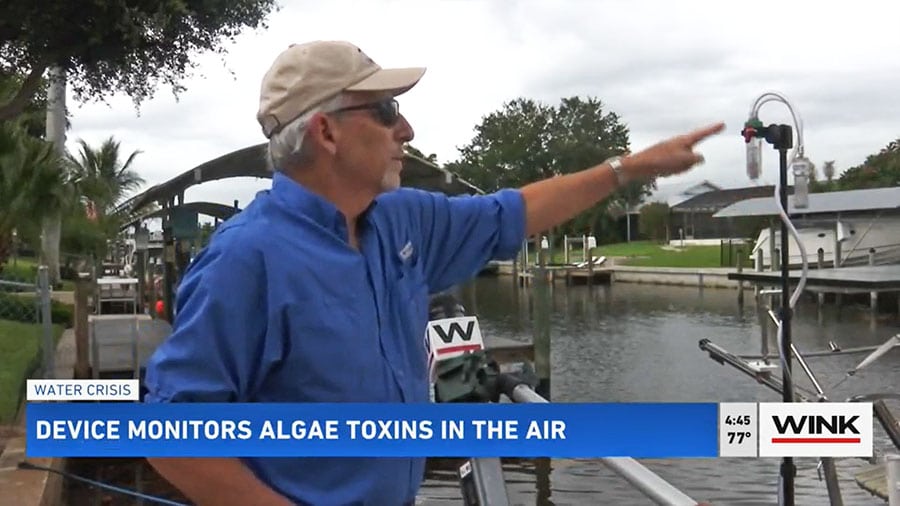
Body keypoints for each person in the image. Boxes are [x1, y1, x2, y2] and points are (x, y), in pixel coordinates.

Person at [143, 40, 724, 506]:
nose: (407, 130)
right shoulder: (246, 261)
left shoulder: (402, 223)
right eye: (387, 111)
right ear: (326, 132)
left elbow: (512, 213)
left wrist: (628, 168)